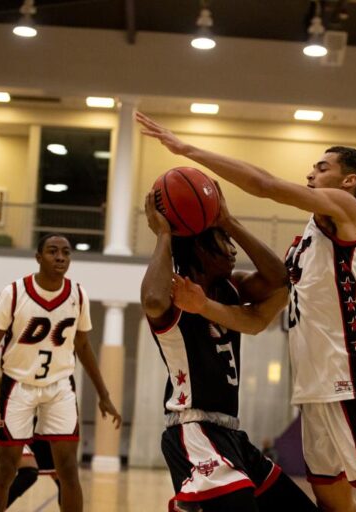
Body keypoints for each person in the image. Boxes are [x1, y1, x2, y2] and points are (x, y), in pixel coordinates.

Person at [136, 112, 356, 512]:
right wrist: (204, 305)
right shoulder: (306, 241)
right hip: (314, 388)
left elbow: (265, 184)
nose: (310, 174)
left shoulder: (346, 208)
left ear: (347, 181)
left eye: (322, 168)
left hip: (351, 379)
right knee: (334, 505)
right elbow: (255, 319)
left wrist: (187, 149)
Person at [140, 186, 317, 512]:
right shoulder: (174, 295)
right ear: (202, 250)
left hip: (231, 434)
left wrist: (229, 221)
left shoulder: (231, 288)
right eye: (225, 241)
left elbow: (279, 279)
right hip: (191, 429)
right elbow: (151, 300)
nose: (234, 250)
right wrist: (163, 234)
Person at [0, 233, 122, 512]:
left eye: (66, 252)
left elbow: (83, 345)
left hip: (59, 386)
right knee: (6, 470)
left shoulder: (78, 294)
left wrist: (103, 394)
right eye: (53, 251)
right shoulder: (14, 293)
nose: (60, 257)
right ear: (38, 257)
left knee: (68, 471)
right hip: (18, 385)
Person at [0, 342, 62, 508]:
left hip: (41, 420)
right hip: (15, 417)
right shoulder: (8, 348)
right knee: (27, 473)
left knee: (63, 478)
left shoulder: (54, 347)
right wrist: (0, 415)